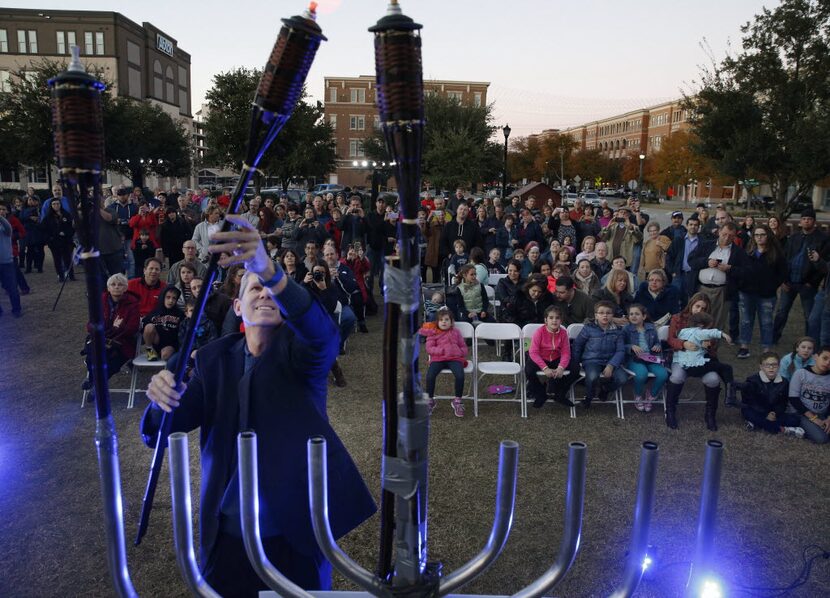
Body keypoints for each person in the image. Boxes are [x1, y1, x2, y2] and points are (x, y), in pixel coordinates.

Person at [142, 214, 376, 593]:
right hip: (229, 532)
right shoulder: (212, 359)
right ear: (237, 307)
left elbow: (323, 336)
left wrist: (269, 271)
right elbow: (167, 426)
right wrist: (160, 399)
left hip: (295, 531)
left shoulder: (303, 354)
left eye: (271, 292)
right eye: (255, 290)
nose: (265, 295)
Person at [773, 208, 828, 343]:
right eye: (804, 219)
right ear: (800, 221)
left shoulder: (823, 239)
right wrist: (783, 279)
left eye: (809, 219)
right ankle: (774, 337)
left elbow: (823, 264)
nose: (806, 221)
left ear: (814, 221)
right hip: (790, 281)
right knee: (782, 312)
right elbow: (785, 259)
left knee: (809, 315)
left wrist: (813, 283)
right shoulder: (794, 237)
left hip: (807, 284)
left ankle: (808, 342)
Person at [673, 311, 734, 431]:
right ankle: (730, 395)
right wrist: (722, 334)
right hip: (696, 365)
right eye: (708, 326)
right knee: (726, 368)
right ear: (701, 326)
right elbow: (709, 333)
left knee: (720, 367)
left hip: (687, 365)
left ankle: (729, 393)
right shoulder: (698, 332)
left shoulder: (684, 331)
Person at [688, 221, 747, 335]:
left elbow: (745, 272)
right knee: (696, 319)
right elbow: (691, 261)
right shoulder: (706, 245)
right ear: (719, 232)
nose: (726, 238)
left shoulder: (738, 252)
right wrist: (707, 262)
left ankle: (712, 349)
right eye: (724, 234)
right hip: (701, 288)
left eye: (730, 236)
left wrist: (730, 269)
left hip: (722, 291)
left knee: (716, 322)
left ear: (734, 236)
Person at [737, 224, 785, 358]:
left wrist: (772, 286)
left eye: (762, 234)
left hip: (766, 295)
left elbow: (782, 273)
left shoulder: (776, 254)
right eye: (756, 235)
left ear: (768, 236)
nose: (759, 237)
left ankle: (766, 349)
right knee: (746, 321)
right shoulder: (748, 252)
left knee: (766, 322)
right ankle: (744, 346)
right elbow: (742, 270)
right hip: (747, 293)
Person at [570, 300, 628, 409]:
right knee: (592, 377)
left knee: (623, 378)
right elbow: (577, 345)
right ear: (596, 315)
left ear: (612, 315)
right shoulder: (588, 328)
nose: (605, 315)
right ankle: (589, 396)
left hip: (611, 361)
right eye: (601, 313)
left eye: (608, 313)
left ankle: (605, 389)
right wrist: (575, 362)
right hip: (592, 360)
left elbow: (620, 350)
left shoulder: (618, 331)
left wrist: (611, 365)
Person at [739, 352, 804, 437]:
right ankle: (784, 430)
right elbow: (749, 402)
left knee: (795, 420)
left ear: (779, 366)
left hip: (774, 412)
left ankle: (756, 424)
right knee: (749, 413)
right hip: (756, 410)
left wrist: (775, 413)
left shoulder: (784, 382)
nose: (771, 368)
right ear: (761, 367)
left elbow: (783, 403)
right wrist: (766, 414)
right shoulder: (752, 381)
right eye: (767, 365)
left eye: (774, 365)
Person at [419, 307, 468, 417]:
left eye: (446, 320)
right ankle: (430, 400)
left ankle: (457, 401)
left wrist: (460, 352)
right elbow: (429, 348)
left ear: (451, 322)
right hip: (438, 359)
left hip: (455, 358)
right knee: (430, 376)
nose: (444, 322)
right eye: (441, 320)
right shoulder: (433, 332)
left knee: (460, 375)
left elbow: (463, 346)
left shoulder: (456, 332)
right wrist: (441, 350)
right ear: (437, 322)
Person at [525, 305, 576, 409]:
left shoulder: (563, 333)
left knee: (575, 369)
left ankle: (560, 394)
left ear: (561, 320)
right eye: (551, 318)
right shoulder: (539, 332)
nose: (554, 320)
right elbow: (533, 352)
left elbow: (566, 352)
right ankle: (540, 394)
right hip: (541, 357)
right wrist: (545, 368)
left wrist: (561, 367)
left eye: (557, 318)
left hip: (556, 358)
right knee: (529, 370)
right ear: (546, 320)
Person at [622, 304, 668, 413]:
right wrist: (631, 346)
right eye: (631, 314)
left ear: (644, 316)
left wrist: (657, 346)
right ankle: (638, 395)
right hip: (634, 359)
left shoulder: (651, 328)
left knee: (663, 374)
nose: (633, 316)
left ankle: (651, 396)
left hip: (650, 357)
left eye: (637, 314)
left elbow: (657, 342)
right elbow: (620, 346)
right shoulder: (626, 329)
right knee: (642, 373)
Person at [788, 345, 830, 444]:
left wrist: (829, 418)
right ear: (815, 357)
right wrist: (814, 419)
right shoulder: (801, 373)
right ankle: (796, 427)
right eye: (825, 358)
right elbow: (794, 399)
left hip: (823, 413)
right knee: (822, 439)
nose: (828, 362)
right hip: (803, 413)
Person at [140, 286, 184, 361]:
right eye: (168, 297)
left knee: (165, 356)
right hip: (156, 341)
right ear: (163, 297)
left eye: (174, 298)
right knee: (149, 327)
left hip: (171, 343)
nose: (171, 301)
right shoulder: (155, 311)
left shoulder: (180, 314)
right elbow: (144, 327)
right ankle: (149, 351)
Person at [665, 216, 702, 304]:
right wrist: (672, 271)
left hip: (693, 276)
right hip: (678, 274)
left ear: (699, 227)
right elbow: (669, 256)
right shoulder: (679, 240)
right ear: (687, 226)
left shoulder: (702, 242)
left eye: (696, 225)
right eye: (691, 224)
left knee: (690, 300)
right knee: (674, 299)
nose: (693, 227)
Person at [42, 198, 76, 282]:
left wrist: (66, 233)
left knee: (68, 259)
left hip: (66, 241)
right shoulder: (48, 217)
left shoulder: (66, 214)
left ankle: (71, 275)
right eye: (54, 204)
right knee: (57, 259)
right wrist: (51, 237)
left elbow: (72, 227)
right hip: (54, 241)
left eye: (58, 204)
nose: (56, 206)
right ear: (51, 205)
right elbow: (44, 229)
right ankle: (60, 275)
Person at [0, 208, 23, 317]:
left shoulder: (5, 227)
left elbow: (9, 229)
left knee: (12, 287)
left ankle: (16, 309)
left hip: (6, 262)